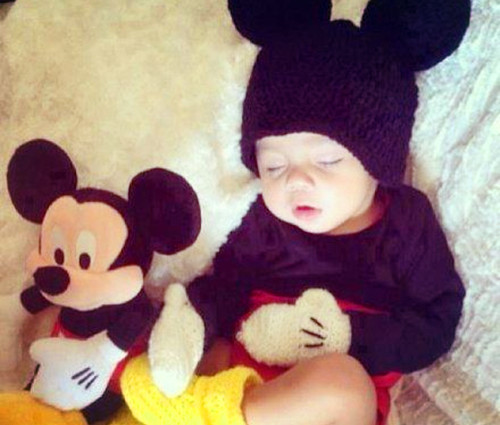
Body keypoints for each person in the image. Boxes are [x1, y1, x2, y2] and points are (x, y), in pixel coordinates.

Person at [112, 1, 470, 425]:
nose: (296, 181)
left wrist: (348, 336)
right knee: (203, 354)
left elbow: (435, 321)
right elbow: (225, 286)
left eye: (327, 161)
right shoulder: (265, 219)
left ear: (377, 160)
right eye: (274, 167)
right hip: (245, 377)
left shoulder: (406, 221)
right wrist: (194, 323)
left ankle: (200, 414)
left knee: (342, 383)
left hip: (334, 397)